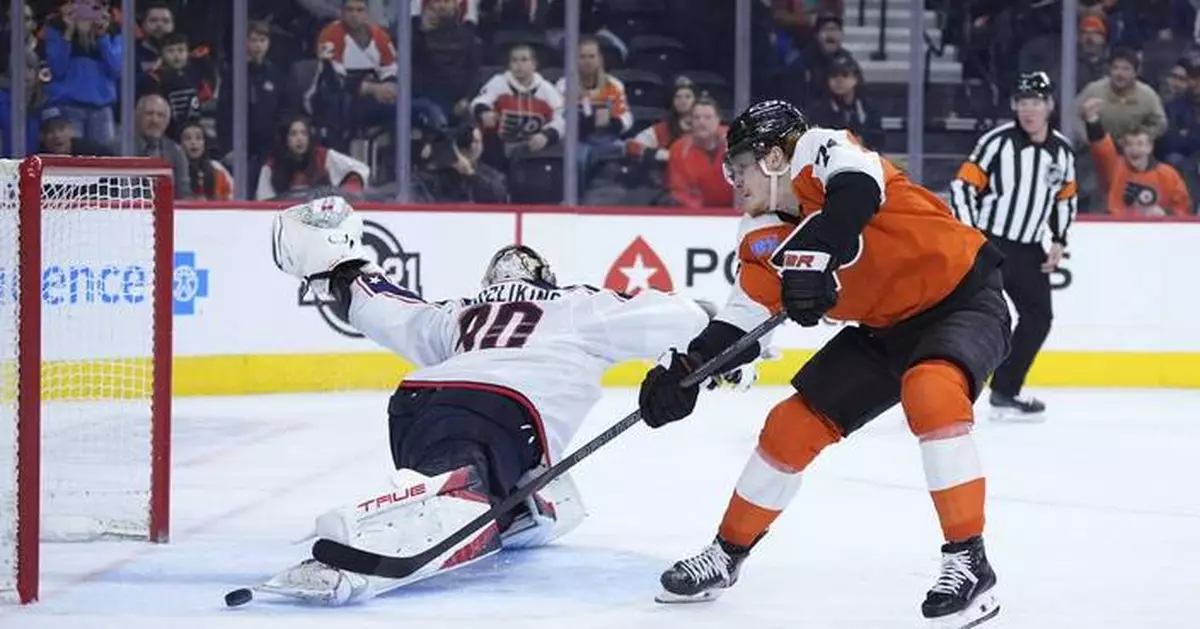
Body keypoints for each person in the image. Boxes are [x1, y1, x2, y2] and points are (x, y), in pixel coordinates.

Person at [636, 100, 1011, 629]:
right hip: (884, 328)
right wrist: (687, 371)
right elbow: (739, 323)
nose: (732, 182)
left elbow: (857, 192)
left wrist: (813, 253)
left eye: (737, 167)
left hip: (963, 299)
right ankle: (726, 555)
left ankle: (968, 563)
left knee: (931, 391)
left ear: (771, 157)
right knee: (789, 427)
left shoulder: (820, 149)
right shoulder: (758, 236)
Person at [264, 194, 746, 604]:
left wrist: (340, 264)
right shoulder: (577, 304)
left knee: (490, 469)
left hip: (415, 411)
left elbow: (380, 305)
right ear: (546, 279)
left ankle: (481, 491)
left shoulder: (456, 315)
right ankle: (392, 532)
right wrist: (729, 354)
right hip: (501, 414)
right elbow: (685, 313)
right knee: (470, 483)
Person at [949, 71, 1078, 421]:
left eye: (1035, 102)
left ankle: (1005, 391)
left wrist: (1059, 240)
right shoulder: (997, 142)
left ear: (1049, 105)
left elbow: (1065, 199)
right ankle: (946, 389)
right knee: (973, 319)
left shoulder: (1062, 151)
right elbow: (963, 186)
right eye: (1022, 102)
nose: (1028, 109)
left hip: (1030, 247)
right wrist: (970, 233)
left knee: (1038, 317)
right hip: (991, 243)